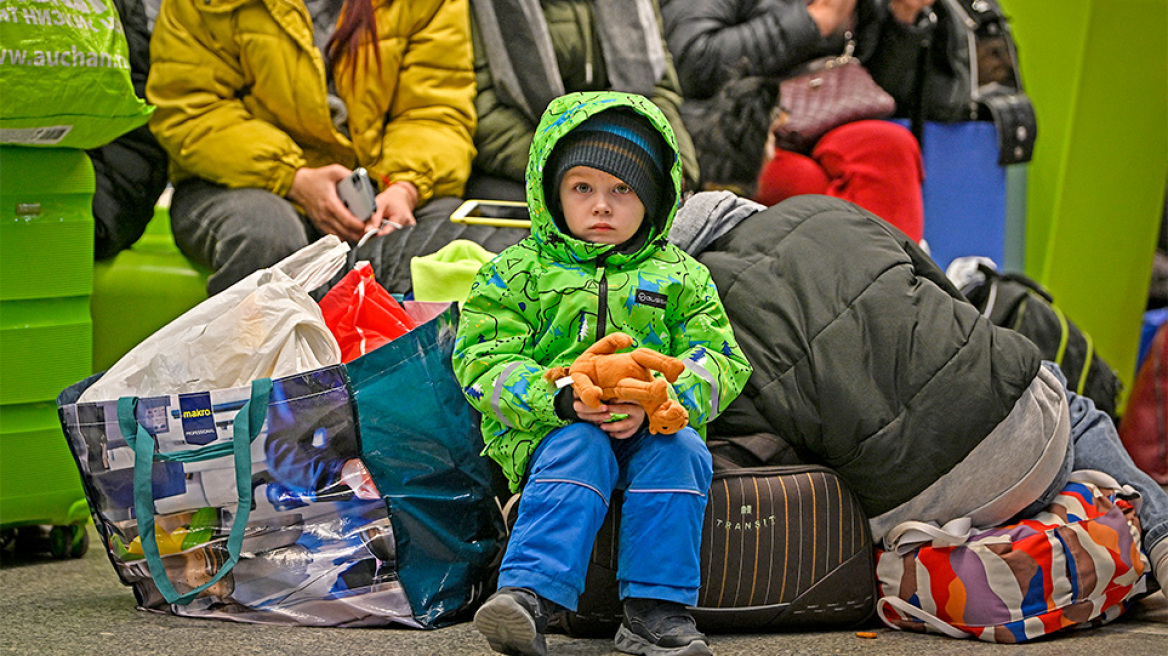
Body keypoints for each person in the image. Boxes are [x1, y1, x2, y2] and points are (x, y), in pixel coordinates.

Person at [667, 188, 1168, 598]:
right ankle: (1160, 530)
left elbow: (769, 451)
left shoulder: (699, 321)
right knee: (1065, 397)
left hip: (908, 510)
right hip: (1029, 448)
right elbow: (950, 302)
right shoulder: (823, 209)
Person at [452, 91, 752, 656]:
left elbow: (721, 361)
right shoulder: (515, 272)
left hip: (652, 427)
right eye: (582, 188)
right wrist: (560, 397)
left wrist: (659, 400)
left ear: (657, 199)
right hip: (551, 430)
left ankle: (655, 613)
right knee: (580, 448)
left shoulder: (682, 276)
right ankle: (527, 598)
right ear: (551, 192)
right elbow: (482, 361)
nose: (602, 207)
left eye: (623, 190)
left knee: (683, 452)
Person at [147, 0, 524, 296]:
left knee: (441, 240)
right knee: (267, 238)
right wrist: (294, 177)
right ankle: (259, 390)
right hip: (240, 180)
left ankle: (404, 384)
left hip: (375, 184)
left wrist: (405, 186)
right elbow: (188, 107)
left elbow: (434, 110)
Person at [660, 0, 935, 241]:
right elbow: (692, 63)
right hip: (740, 127)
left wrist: (902, 17)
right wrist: (815, 20)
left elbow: (879, 88)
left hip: (827, 115)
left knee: (891, 147)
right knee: (804, 182)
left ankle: (893, 288)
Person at [466, 0, 701, 202]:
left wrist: (674, 167)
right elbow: (486, 113)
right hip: (531, 167)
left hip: (629, 161)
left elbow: (658, 90)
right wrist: (578, 166)